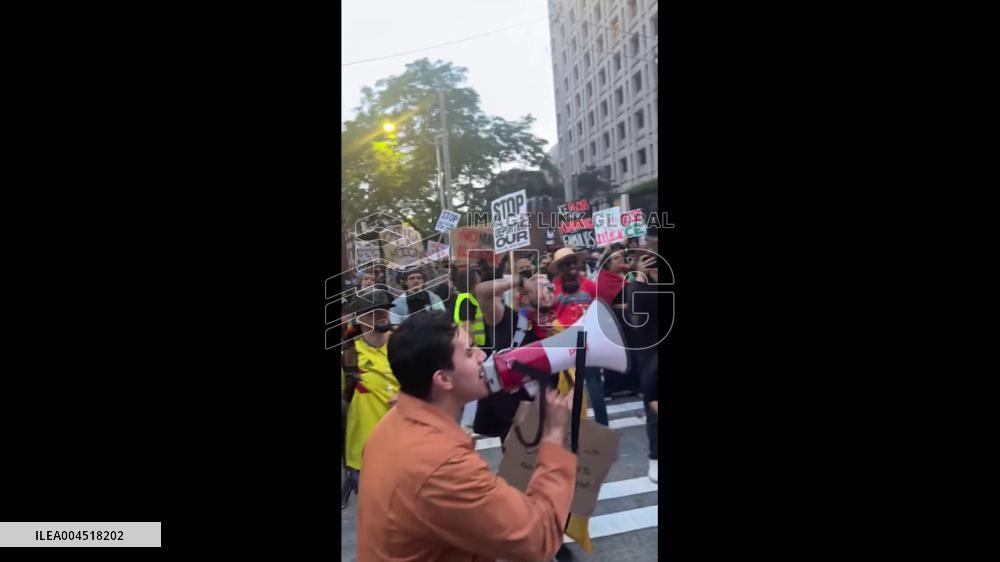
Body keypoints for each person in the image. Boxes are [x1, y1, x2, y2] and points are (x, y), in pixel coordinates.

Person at [357, 312, 577, 562]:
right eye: (470, 352)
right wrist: (553, 437)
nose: (484, 356)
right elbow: (538, 540)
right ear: (443, 379)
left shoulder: (392, 422)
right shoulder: (442, 464)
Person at [343, 289, 400, 509]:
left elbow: (433, 388)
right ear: (359, 318)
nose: (381, 315)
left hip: (407, 448)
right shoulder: (348, 354)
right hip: (366, 458)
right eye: (372, 313)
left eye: (383, 310)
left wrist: (407, 397)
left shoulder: (404, 344)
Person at [548, 247, 608, 426]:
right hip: (563, 344)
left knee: (594, 385)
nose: (573, 266)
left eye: (575, 261)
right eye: (567, 263)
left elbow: (601, 311)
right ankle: (570, 429)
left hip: (587, 341)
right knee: (567, 388)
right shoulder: (551, 288)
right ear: (559, 269)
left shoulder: (590, 286)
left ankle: (602, 428)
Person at [622, 236, 661, 483]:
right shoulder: (640, 288)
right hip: (651, 357)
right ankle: (655, 458)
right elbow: (633, 307)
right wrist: (638, 277)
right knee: (654, 412)